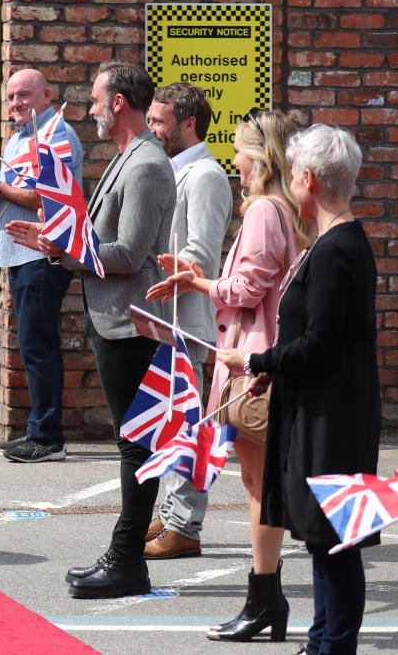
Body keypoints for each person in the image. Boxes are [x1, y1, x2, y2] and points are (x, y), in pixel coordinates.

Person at [8, 60, 175, 598]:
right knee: (132, 442)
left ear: (119, 103)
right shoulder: (126, 157)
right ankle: (125, 556)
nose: (92, 110)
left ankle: (127, 560)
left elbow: (129, 253)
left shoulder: (146, 163)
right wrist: (57, 243)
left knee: (137, 444)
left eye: (98, 100)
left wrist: (64, 250)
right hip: (114, 316)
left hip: (132, 322)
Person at [149, 108, 312, 641]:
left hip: (251, 362)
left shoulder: (266, 209)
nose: (234, 160)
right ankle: (266, 597)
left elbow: (247, 289)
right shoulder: (284, 208)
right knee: (256, 483)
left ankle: (265, 597)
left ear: (260, 156)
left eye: (240, 150)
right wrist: (206, 278)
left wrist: (199, 285)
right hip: (257, 356)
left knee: (260, 487)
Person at [219, 125, 376, 654]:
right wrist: (271, 369)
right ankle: (321, 640)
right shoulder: (336, 243)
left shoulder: (336, 249)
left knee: (334, 540)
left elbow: (318, 345)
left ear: (308, 179)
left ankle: (333, 645)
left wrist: (257, 359)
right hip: (324, 407)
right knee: (323, 537)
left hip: (333, 414)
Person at [0, 68, 83, 463]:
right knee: (31, 342)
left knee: (38, 343)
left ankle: (48, 438)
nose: (15, 104)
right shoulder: (17, 139)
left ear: (47, 94)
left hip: (42, 253)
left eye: (24, 95)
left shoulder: (56, 134)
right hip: (19, 252)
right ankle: (38, 432)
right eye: (11, 97)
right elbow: (5, 203)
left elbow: (49, 200)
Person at [141, 82, 233, 559]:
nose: (152, 128)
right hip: (168, 318)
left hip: (192, 321)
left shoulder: (206, 176)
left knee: (192, 428)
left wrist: (159, 269)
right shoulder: (174, 170)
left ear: (188, 123)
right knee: (174, 425)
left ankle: (185, 527)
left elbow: (201, 251)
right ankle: (169, 514)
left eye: (159, 122)